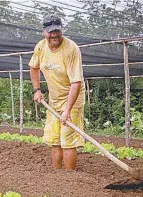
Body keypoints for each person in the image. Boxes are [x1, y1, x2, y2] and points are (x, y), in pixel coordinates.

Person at [29, 13, 85, 170]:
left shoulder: (71, 49)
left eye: (57, 31)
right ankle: (57, 177)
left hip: (72, 98)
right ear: (44, 32)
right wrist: (37, 90)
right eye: (50, 31)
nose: (54, 35)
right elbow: (34, 68)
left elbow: (76, 82)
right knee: (54, 139)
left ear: (61, 30)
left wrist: (67, 110)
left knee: (68, 139)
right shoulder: (41, 47)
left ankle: (69, 177)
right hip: (54, 99)